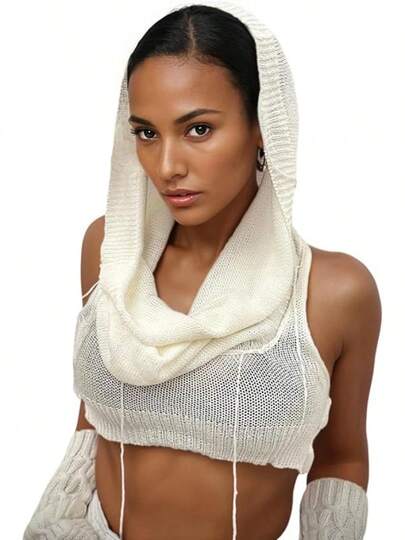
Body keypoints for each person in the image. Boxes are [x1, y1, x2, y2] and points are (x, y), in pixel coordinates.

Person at [23, 0, 381, 538]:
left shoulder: (332, 292)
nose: (167, 166)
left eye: (198, 129)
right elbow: (93, 417)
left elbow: (341, 458)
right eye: (147, 133)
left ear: (263, 126)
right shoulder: (110, 250)